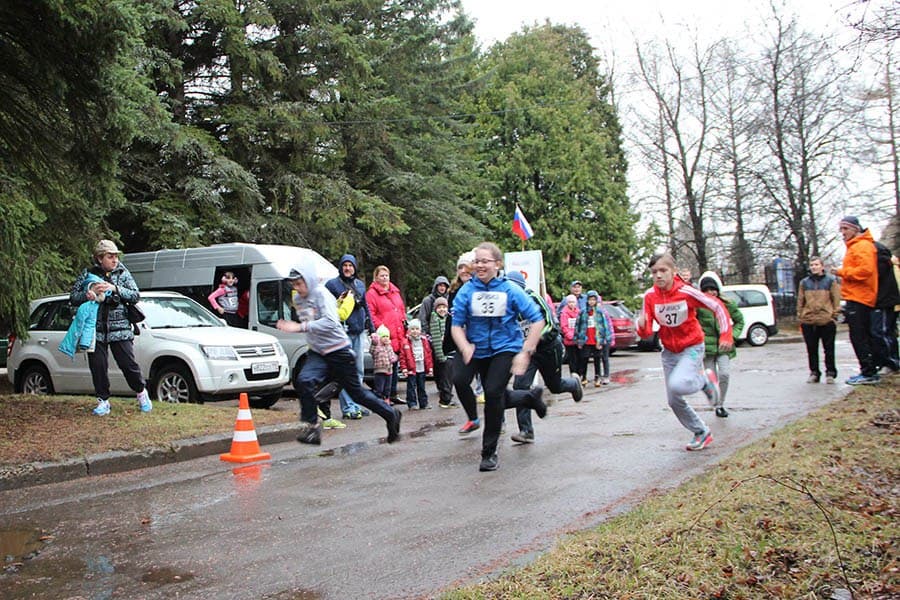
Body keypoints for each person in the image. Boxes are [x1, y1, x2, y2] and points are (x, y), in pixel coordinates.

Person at [276, 266, 401, 445]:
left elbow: (331, 322)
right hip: (318, 352)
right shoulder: (298, 298)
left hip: (339, 350)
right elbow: (310, 323)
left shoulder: (322, 294)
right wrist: (298, 327)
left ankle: (391, 414)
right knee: (304, 380)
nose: (297, 288)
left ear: (309, 280)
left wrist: (299, 327)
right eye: (293, 284)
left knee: (357, 394)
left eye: (299, 283)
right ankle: (312, 428)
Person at [451, 242, 548, 471]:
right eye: (477, 261)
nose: (480, 265)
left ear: (497, 264)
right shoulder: (467, 291)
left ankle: (489, 453)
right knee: (459, 379)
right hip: (476, 348)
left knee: (493, 395)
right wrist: (464, 346)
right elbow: (456, 325)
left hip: (505, 348)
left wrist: (525, 352)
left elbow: (537, 320)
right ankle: (528, 398)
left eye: (485, 261)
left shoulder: (510, 289)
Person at [635, 253, 733, 451]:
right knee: (673, 400)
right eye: (654, 272)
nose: (658, 275)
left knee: (678, 384)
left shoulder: (686, 292)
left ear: (674, 271)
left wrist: (726, 335)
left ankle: (704, 381)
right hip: (669, 351)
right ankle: (701, 431)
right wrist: (641, 326)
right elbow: (647, 331)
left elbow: (717, 306)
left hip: (692, 346)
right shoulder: (650, 296)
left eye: (663, 270)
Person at [70, 240, 151, 416]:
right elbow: (73, 297)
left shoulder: (122, 272)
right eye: (110, 256)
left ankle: (141, 392)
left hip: (120, 328)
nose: (115, 260)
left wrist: (115, 289)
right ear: (100, 258)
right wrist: (87, 295)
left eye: (116, 256)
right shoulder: (88, 273)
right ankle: (103, 401)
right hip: (95, 329)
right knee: (98, 366)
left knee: (128, 365)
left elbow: (135, 295)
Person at [508, 271, 582, 444]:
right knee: (520, 387)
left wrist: (535, 339)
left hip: (548, 348)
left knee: (554, 386)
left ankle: (573, 384)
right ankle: (526, 431)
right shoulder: (508, 307)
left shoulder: (533, 299)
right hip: (528, 353)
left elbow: (550, 324)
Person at [325, 254, 376, 420]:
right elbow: (325, 307)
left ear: (355, 268)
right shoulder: (332, 285)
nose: (348, 268)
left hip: (359, 332)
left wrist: (372, 329)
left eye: (350, 265)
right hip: (342, 334)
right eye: (345, 265)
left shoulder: (359, 285)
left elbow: (366, 307)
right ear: (340, 267)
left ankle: (356, 404)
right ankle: (348, 407)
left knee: (358, 371)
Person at [835, 216, 880, 385]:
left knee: (859, 336)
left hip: (860, 297)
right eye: (841, 229)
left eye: (845, 229)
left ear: (855, 228)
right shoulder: (857, 245)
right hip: (858, 296)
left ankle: (868, 372)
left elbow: (865, 271)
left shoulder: (861, 246)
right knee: (861, 335)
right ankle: (869, 370)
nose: (843, 233)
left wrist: (841, 272)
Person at [697, 275, 744, 418]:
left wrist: (732, 337)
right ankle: (716, 402)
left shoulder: (727, 304)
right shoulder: (698, 306)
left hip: (724, 347)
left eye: (713, 289)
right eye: (707, 290)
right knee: (711, 378)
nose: (711, 293)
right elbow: (692, 324)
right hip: (707, 349)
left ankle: (720, 404)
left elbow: (740, 321)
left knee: (724, 374)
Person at [366, 265, 408, 404]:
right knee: (383, 368)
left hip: (398, 332)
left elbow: (401, 309)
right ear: (376, 277)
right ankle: (383, 395)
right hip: (385, 335)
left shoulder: (395, 291)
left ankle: (393, 393)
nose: (385, 278)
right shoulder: (372, 294)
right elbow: (371, 314)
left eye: (386, 275)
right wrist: (381, 329)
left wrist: (404, 322)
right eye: (382, 275)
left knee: (395, 364)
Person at [797, 256, 842, 384]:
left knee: (829, 348)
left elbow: (836, 299)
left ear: (822, 266)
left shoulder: (830, 281)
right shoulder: (804, 283)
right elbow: (800, 300)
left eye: (816, 264)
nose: (814, 267)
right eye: (812, 265)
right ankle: (814, 372)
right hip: (809, 320)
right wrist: (801, 315)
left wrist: (833, 316)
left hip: (826, 319)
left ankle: (830, 373)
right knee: (811, 349)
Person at [871, 241, 900, 375]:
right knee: (883, 332)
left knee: (882, 332)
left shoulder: (880, 257)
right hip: (882, 300)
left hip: (884, 301)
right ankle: (884, 362)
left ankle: (891, 363)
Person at [575, 290, 614, 387]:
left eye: (593, 300)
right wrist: (577, 339)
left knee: (597, 358)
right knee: (584, 358)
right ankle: (583, 376)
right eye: (590, 300)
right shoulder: (583, 312)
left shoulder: (600, 312)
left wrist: (605, 339)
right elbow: (578, 326)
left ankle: (597, 376)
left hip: (596, 339)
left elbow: (604, 327)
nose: (591, 302)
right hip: (586, 338)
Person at [399, 319, 434, 409]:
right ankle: (412, 403)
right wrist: (404, 368)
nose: (415, 331)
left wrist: (430, 367)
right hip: (411, 369)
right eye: (412, 329)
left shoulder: (424, 341)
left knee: (421, 387)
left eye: (417, 329)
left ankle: (424, 403)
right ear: (409, 330)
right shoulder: (405, 342)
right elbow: (402, 357)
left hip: (421, 368)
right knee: (411, 387)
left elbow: (428, 354)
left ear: (420, 330)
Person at [428, 296, 456, 408]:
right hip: (442, 354)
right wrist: (441, 356)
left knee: (449, 377)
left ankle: (448, 398)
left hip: (449, 353)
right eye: (439, 307)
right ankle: (445, 400)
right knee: (445, 378)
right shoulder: (435, 319)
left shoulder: (448, 319)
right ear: (435, 309)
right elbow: (436, 340)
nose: (442, 310)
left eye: (444, 307)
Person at [370, 325, 397, 403]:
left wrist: (393, 358)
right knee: (379, 388)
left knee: (387, 388)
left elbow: (392, 354)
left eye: (387, 336)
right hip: (379, 371)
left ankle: (386, 400)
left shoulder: (389, 346)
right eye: (383, 336)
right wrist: (374, 341)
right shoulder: (376, 346)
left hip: (389, 370)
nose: (385, 338)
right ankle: (378, 401)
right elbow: (372, 351)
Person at [559, 294, 581, 382]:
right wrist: (570, 336)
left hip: (578, 339)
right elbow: (563, 326)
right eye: (570, 302)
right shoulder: (564, 313)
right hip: (569, 340)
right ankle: (573, 376)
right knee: (572, 360)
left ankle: (580, 375)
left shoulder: (579, 312)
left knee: (580, 358)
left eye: (573, 302)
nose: (572, 304)